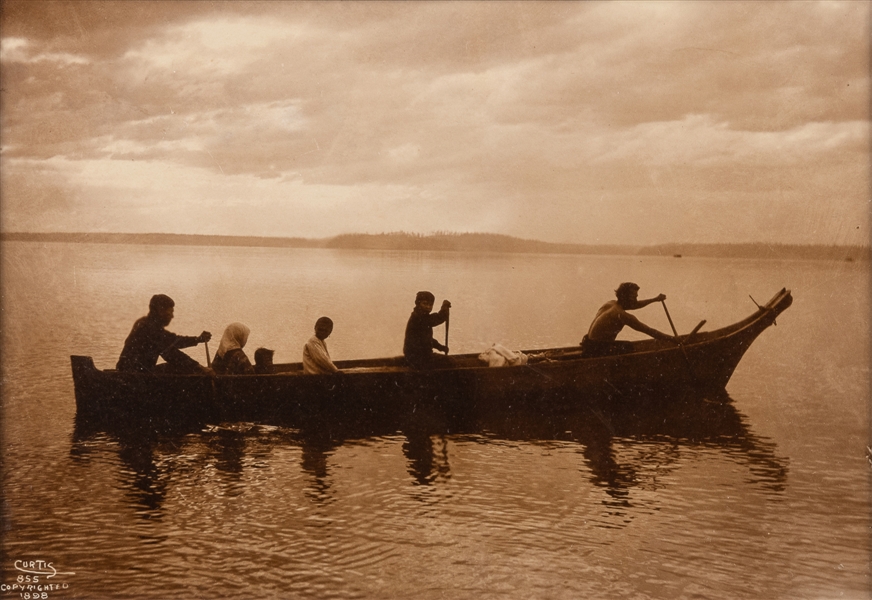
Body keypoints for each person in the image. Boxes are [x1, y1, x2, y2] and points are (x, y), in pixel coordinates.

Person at [116, 294, 212, 373]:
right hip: (133, 376)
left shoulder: (145, 323)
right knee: (180, 368)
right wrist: (200, 367)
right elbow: (172, 354)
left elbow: (173, 340)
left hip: (134, 372)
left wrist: (198, 339)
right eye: (170, 312)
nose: (172, 316)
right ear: (161, 311)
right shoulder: (148, 328)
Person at [580, 282, 675, 358]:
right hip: (596, 349)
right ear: (624, 297)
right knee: (628, 346)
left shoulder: (610, 304)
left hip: (589, 344)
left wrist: (655, 299)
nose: (636, 299)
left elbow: (635, 305)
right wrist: (674, 339)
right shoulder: (621, 315)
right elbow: (650, 331)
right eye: (634, 297)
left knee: (625, 346)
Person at [403, 291, 451, 370]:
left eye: (430, 305)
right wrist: (445, 307)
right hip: (418, 358)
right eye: (425, 304)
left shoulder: (421, 316)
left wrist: (440, 347)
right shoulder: (419, 317)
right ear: (418, 304)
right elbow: (439, 318)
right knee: (449, 362)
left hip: (417, 357)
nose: (428, 307)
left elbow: (427, 339)